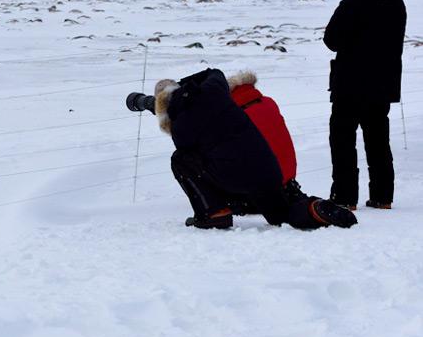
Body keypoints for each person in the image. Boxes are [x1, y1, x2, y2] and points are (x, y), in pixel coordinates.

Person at [148, 68, 354, 230]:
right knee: (280, 215)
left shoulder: (182, 126)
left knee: (180, 160)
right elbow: (214, 72)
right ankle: (313, 209)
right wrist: (188, 84)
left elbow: (191, 154)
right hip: (269, 172)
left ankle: (213, 213)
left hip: (237, 181)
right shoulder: (217, 89)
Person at [324, 0, 407, 210]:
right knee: (379, 140)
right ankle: (383, 196)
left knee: (343, 141)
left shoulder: (352, 3)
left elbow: (331, 40)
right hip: (383, 85)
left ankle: (345, 197)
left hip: (349, 85)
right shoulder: (396, 3)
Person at [226, 71, 356, 229]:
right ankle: (314, 208)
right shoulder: (269, 103)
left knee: (279, 213)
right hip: (288, 179)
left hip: (265, 184)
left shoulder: (235, 115)